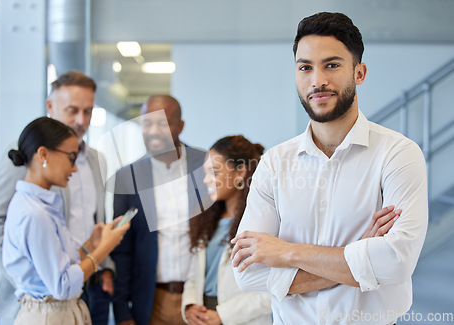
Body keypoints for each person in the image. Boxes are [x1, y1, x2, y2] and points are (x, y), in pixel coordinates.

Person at [231, 12, 428, 325]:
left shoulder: (398, 154)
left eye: (332, 65)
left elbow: (395, 263)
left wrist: (285, 252)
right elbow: (247, 274)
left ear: (359, 73)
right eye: (305, 67)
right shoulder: (274, 163)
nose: (317, 80)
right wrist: (356, 255)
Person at [0, 71, 115, 325]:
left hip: (85, 288)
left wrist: (101, 262)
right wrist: (32, 278)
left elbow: (92, 221)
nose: (81, 120)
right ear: (50, 106)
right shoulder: (25, 156)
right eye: (72, 110)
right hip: (40, 300)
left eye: (88, 111)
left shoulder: (96, 160)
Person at [2, 117, 130, 325]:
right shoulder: (36, 214)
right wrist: (105, 248)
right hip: (48, 316)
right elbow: (63, 285)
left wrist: (92, 244)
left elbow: (62, 265)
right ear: (43, 154)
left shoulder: (39, 205)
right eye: (71, 157)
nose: (75, 168)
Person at [110, 95, 211, 325]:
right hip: (151, 302)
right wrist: (123, 313)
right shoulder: (127, 177)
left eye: (162, 123)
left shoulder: (206, 165)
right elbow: (122, 249)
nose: (153, 131)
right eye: (147, 123)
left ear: (180, 126)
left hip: (201, 300)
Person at [182, 135, 272, 325]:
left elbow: (273, 289)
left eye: (214, 172)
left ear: (240, 172)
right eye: (205, 173)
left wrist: (223, 315)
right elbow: (194, 274)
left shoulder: (264, 221)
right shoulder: (205, 220)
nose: (206, 180)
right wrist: (189, 306)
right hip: (203, 316)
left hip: (241, 319)